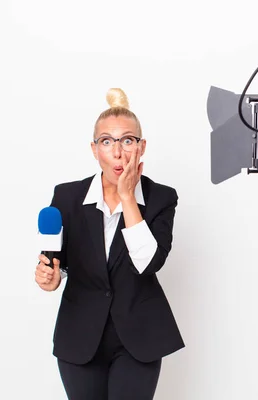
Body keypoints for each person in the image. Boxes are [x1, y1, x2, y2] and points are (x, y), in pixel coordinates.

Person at [34, 88, 184, 400]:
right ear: (94, 149)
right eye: (107, 141)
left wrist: (128, 197)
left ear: (141, 147)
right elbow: (59, 264)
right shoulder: (67, 197)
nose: (117, 152)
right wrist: (50, 277)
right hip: (80, 335)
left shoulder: (161, 198)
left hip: (139, 337)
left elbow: (147, 263)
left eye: (127, 140)